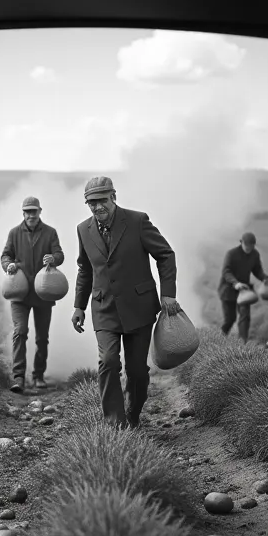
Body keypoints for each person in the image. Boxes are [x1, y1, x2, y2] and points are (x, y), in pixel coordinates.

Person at [71, 176, 180, 430]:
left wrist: (168, 293)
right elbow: (84, 269)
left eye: (102, 201)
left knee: (137, 371)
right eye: (92, 203)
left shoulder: (137, 221)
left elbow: (165, 255)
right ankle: (115, 424)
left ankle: (132, 414)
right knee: (108, 361)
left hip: (138, 307)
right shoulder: (82, 230)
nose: (98, 207)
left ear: (114, 197)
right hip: (104, 308)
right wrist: (79, 305)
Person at [0, 196, 65, 393]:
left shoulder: (50, 233)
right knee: (20, 332)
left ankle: (38, 375)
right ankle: (18, 377)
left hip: (43, 293)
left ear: (39, 211)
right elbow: (5, 255)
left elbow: (60, 255)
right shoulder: (14, 233)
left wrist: (53, 258)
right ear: (23, 213)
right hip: (19, 293)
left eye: (34, 211)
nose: (31, 215)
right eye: (27, 211)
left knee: (42, 337)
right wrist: (8, 265)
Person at [218, 231, 268, 342]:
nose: (249, 248)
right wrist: (235, 283)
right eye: (246, 245)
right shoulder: (231, 254)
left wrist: (264, 278)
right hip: (228, 290)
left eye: (251, 246)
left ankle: (243, 343)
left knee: (245, 316)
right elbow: (226, 272)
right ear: (241, 242)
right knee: (230, 319)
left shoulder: (255, 254)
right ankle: (218, 340)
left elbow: (257, 270)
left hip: (244, 290)